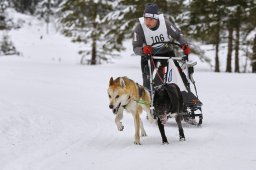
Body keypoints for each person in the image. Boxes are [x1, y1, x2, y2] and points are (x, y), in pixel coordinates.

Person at [132, 3, 191, 91]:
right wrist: (143, 50)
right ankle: (149, 98)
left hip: (166, 52)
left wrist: (184, 44)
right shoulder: (139, 28)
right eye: (146, 19)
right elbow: (135, 48)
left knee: (177, 73)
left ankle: (186, 94)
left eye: (151, 19)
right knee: (147, 78)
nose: (148, 22)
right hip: (148, 54)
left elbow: (178, 35)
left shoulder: (165, 23)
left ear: (156, 18)